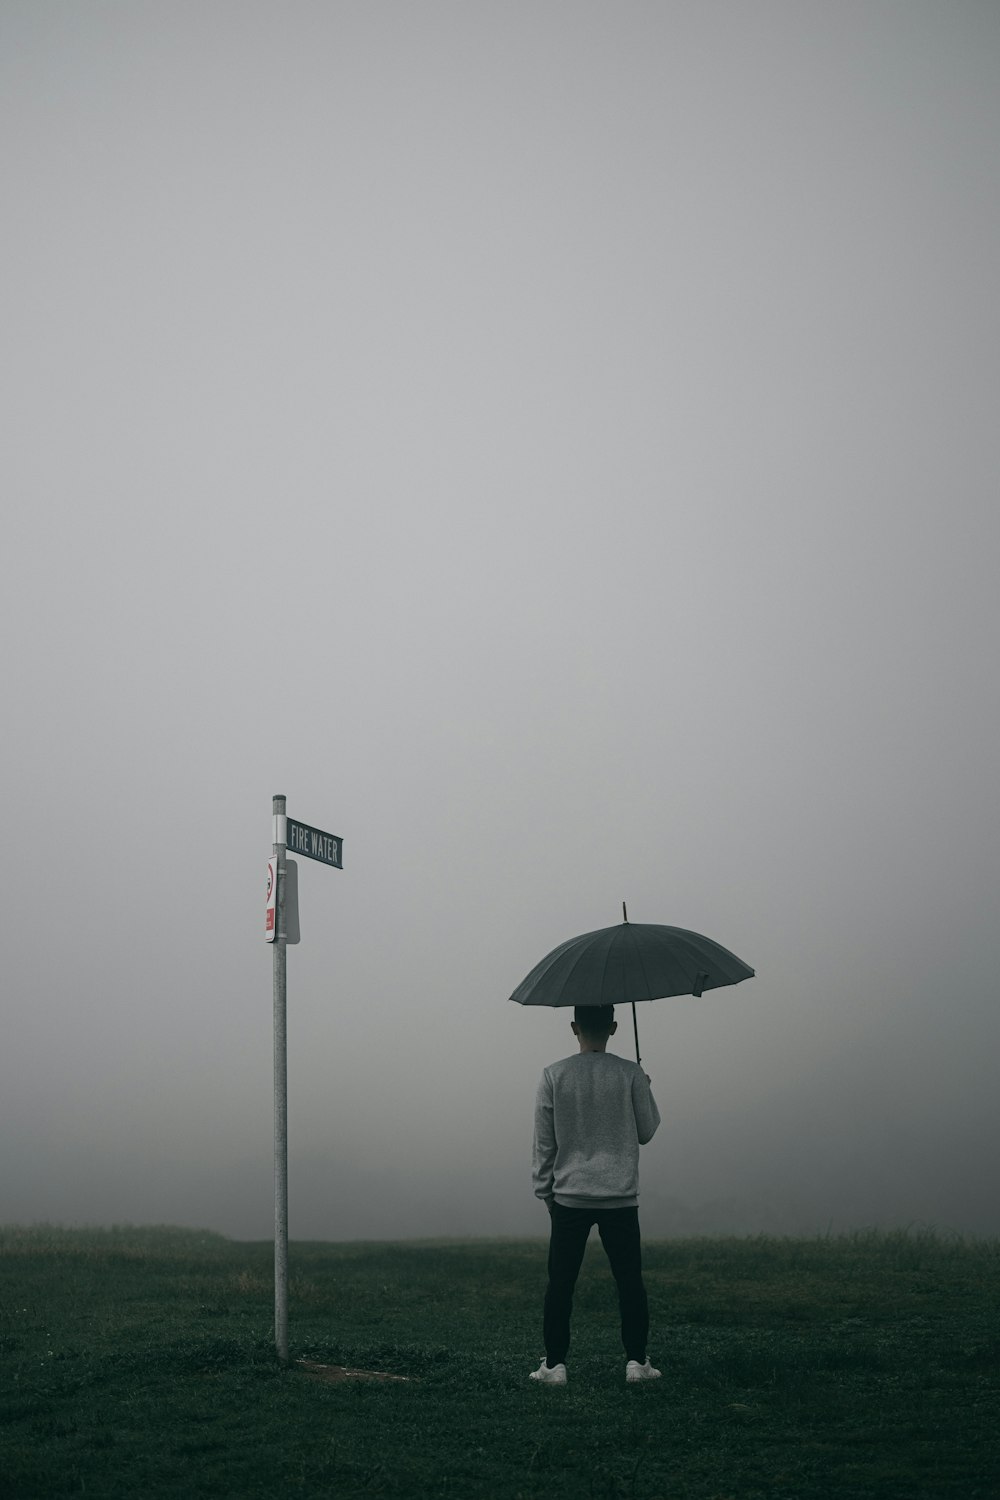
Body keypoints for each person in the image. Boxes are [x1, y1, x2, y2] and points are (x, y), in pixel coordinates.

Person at [529, 1004, 661, 1386]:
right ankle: (636, 1362)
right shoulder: (629, 1073)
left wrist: (545, 1191)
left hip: (569, 1196)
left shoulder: (554, 1075)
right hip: (620, 1196)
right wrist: (644, 1088)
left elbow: (544, 1142)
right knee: (629, 1281)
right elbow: (647, 1131)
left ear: (574, 1027)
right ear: (614, 1027)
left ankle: (554, 1366)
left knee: (561, 1282)